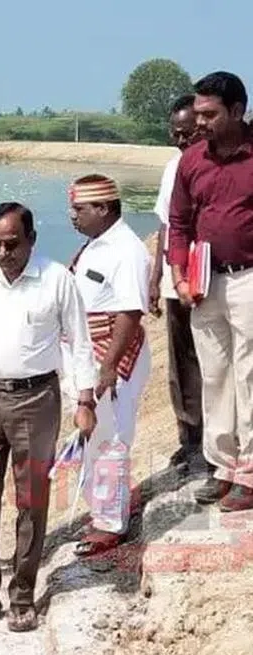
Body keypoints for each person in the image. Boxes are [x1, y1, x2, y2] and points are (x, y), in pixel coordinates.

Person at [0, 203, 98, 632]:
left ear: (31, 239)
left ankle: (22, 595)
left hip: (37, 401)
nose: (2, 253)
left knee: (31, 501)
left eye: (11, 244)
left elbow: (80, 344)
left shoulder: (56, 280)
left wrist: (84, 402)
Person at [168, 71, 253, 511]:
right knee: (215, 376)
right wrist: (181, 278)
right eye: (197, 113)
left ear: (237, 111)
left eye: (209, 114)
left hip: (249, 280)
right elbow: (179, 224)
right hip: (204, 283)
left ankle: (251, 473)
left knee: (250, 376)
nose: (199, 122)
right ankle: (222, 465)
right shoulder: (192, 161)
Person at [65, 175, 151, 556]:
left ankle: (111, 524)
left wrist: (108, 366)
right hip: (88, 351)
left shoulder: (127, 250)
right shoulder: (95, 246)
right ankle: (102, 510)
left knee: (110, 438)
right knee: (93, 437)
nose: (72, 216)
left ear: (103, 208)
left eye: (79, 209)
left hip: (110, 353)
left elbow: (130, 312)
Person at [151, 95, 210, 477]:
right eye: (175, 134)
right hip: (177, 279)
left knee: (213, 363)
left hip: (210, 279)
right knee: (181, 365)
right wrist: (154, 275)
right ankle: (188, 438)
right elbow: (165, 224)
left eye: (187, 133)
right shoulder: (174, 167)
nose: (180, 140)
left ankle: (212, 442)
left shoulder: (212, 165)